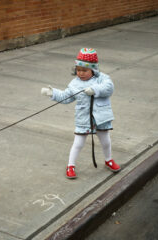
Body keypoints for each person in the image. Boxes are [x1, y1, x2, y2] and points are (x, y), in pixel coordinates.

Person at [41, 48, 120, 179]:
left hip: (101, 117)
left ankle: (109, 159)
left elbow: (109, 88)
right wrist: (52, 93)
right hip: (83, 118)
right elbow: (66, 97)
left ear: (93, 70)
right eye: (78, 70)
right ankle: (70, 165)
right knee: (78, 143)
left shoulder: (102, 78)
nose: (81, 73)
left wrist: (95, 89)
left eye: (84, 70)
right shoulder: (74, 84)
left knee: (105, 141)